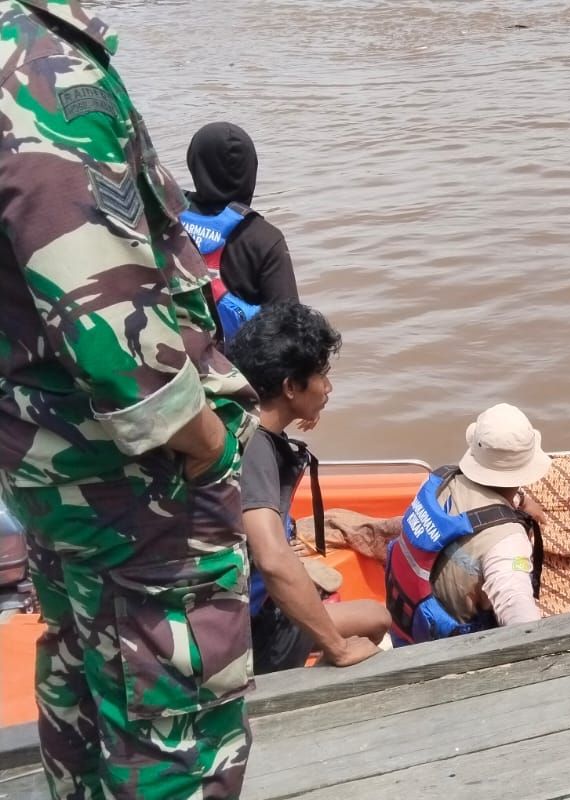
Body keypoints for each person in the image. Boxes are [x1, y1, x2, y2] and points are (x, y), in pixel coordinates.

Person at [0, 2, 259, 797]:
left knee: (87, 683)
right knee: (176, 732)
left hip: (54, 466)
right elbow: (98, 296)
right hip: (135, 480)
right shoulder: (39, 63)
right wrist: (200, 434)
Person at [225, 302, 388, 673]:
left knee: (373, 617)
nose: (328, 387)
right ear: (290, 387)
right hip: (253, 630)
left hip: (252, 609)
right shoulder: (257, 451)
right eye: (321, 375)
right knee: (375, 621)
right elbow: (271, 557)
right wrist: (338, 648)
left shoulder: (240, 421)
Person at [385, 403, 549, 644]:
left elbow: (476, 500)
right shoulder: (508, 541)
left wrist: (520, 499)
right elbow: (524, 627)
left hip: (402, 622)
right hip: (448, 649)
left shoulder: (437, 482)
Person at [181, 121, 299, 343]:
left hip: (173, 359)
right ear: (251, 168)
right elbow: (288, 328)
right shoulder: (264, 239)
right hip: (235, 371)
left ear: (194, 163)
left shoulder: (165, 217)